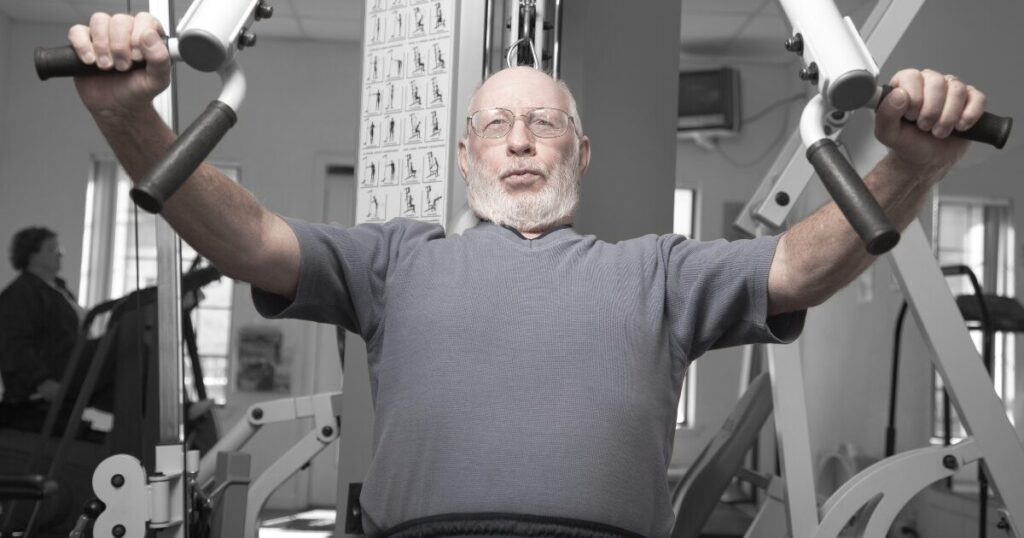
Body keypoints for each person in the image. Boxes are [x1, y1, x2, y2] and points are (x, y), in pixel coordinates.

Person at [65, 13, 988, 537]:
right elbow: (250, 242)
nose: (518, 141)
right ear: (465, 154)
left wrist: (909, 167)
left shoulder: (658, 271)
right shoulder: (394, 259)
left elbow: (799, 266)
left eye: (543, 124)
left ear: (579, 154)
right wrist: (130, 124)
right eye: (495, 125)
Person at [0, 227, 82, 432]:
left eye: (60, 249)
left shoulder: (59, 289)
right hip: (35, 397)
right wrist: (41, 381)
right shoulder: (19, 294)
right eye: (52, 249)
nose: (60, 254)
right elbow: (15, 345)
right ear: (32, 256)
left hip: (66, 382)